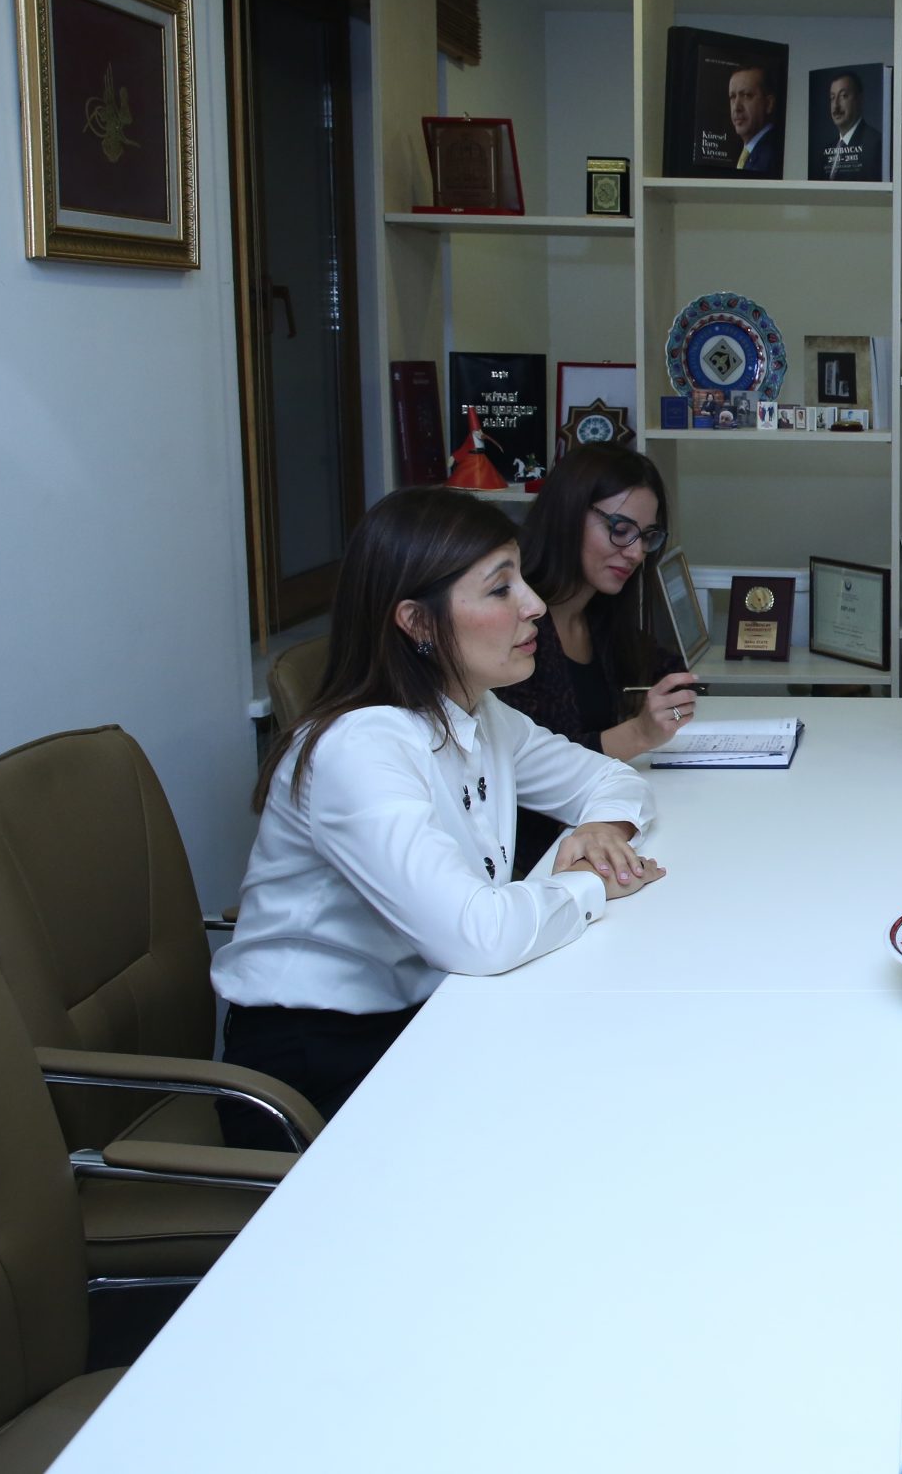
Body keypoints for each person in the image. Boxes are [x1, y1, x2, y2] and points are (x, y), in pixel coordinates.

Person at [213, 487, 661, 1143]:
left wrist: (603, 830)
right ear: (417, 623)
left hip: (430, 1011)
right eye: (501, 589)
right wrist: (590, 883)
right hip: (316, 1069)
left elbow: (611, 778)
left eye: (522, 580)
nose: (535, 605)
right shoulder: (360, 749)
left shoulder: (476, 711)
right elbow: (477, 936)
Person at [499, 445, 702, 874]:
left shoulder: (598, 614)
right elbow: (534, 773)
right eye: (620, 529)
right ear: (568, 514)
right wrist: (638, 733)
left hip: (592, 835)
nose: (636, 552)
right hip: (534, 862)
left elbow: (667, 668)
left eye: (646, 537)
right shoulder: (513, 632)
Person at [817, 68, 880, 181]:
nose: (836, 106)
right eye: (832, 98)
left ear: (859, 99)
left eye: (843, 96)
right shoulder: (827, 150)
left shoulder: (875, 144)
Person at [727, 63, 780, 176]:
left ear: (769, 104)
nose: (736, 107)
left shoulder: (772, 154)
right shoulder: (749, 151)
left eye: (746, 95)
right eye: (732, 97)